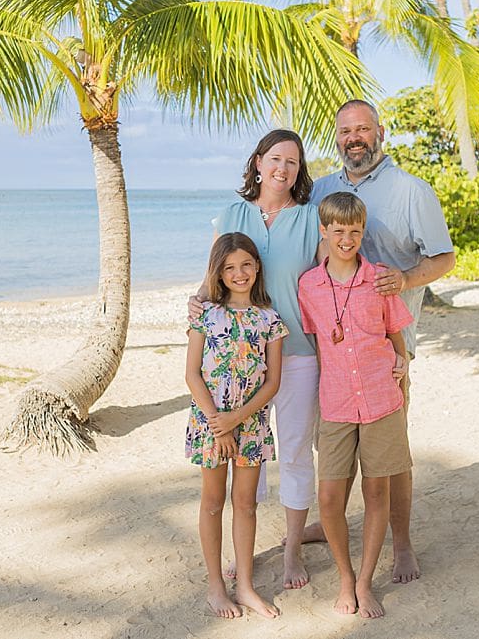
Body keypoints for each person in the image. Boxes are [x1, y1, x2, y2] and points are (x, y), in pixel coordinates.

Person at [310, 99, 456, 584]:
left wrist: (405, 279)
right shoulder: (321, 190)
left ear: (380, 133)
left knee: (390, 453)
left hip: (389, 346)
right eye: (345, 131)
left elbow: (444, 258)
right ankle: (331, 519)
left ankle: (403, 543)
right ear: (337, 137)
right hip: (333, 349)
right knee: (337, 442)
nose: (354, 138)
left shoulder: (411, 191)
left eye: (363, 129)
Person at [189, 129, 322, 590]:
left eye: (292, 162)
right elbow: (214, 276)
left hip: (298, 352)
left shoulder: (310, 218)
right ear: (259, 162)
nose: (283, 168)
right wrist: (197, 302)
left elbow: (329, 278)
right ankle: (242, 553)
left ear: (299, 171)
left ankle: (291, 551)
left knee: (295, 451)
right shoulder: (232, 214)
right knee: (251, 459)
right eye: (275, 158)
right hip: (239, 360)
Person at [298, 192, 413, 619]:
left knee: (377, 489)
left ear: (362, 233)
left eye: (355, 231)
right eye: (338, 231)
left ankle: (364, 582)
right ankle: (345, 577)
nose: (347, 239)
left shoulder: (379, 279)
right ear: (324, 232)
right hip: (337, 402)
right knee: (329, 497)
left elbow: (395, 335)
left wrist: (401, 363)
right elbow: (318, 343)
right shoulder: (308, 286)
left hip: (382, 398)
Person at [185, 232, 285, 619]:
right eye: (229, 267)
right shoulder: (206, 315)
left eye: (245, 264)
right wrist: (221, 424)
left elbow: (272, 382)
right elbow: (192, 374)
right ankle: (216, 586)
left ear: (257, 267)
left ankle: (244, 586)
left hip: (252, 423)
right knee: (213, 503)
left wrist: (237, 419)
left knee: (245, 504)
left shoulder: (269, 319)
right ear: (218, 273)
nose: (239, 273)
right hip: (211, 423)